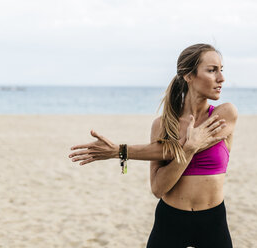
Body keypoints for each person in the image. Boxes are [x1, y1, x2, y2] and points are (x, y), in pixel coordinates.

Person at [69, 43, 238, 247]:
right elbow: (158, 189)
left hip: (213, 221)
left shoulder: (225, 114)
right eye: (212, 70)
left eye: (221, 70)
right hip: (171, 220)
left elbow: (177, 148)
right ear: (188, 76)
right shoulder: (162, 125)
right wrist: (189, 148)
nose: (221, 78)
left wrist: (119, 151)